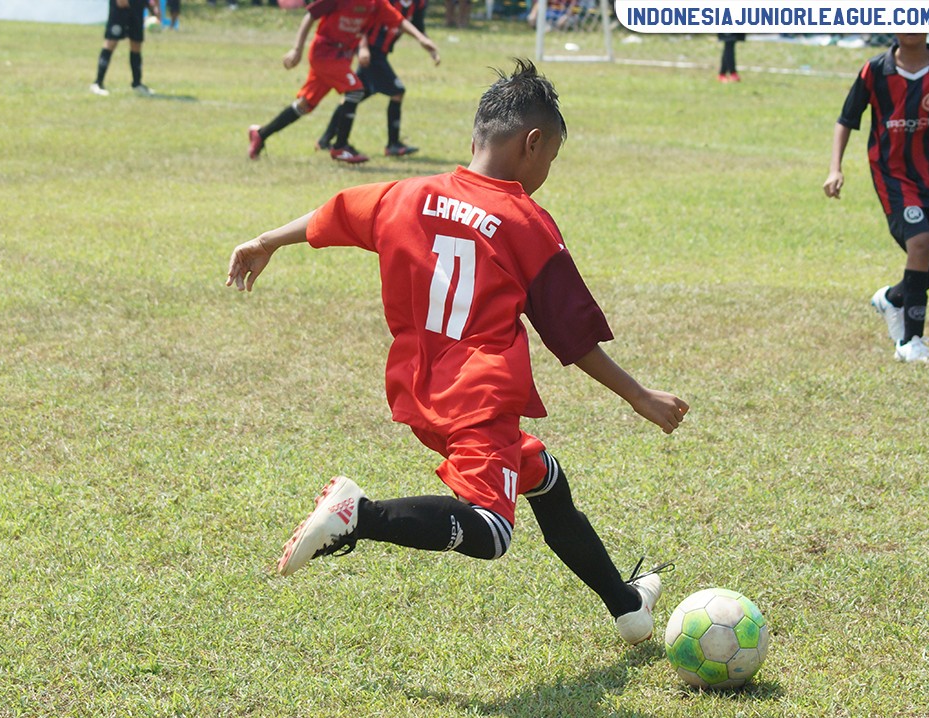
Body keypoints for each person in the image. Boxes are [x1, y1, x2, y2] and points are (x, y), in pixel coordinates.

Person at [226, 60, 689, 645]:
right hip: (480, 395)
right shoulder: (525, 222)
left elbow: (333, 214)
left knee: (540, 473)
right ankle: (359, 516)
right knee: (492, 531)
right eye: (550, 159)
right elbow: (570, 337)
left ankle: (627, 607)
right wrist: (639, 396)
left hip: (421, 390)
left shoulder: (406, 194)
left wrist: (266, 240)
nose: (546, 172)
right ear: (533, 142)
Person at [823, 33, 929, 364]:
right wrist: (835, 169)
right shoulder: (875, 70)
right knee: (921, 242)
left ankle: (894, 297)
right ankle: (911, 341)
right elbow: (846, 120)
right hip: (891, 175)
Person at [247, 0, 439, 164]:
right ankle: (340, 147)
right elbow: (310, 15)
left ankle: (261, 134)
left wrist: (423, 39)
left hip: (342, 56)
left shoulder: (376, 3)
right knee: (355, 90)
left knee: (305, 105)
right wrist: (296, 49)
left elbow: (399, 20)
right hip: (324, 53)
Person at [316, 0, 428, 157]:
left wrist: (427, 44)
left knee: (356, 95)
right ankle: (392, 145)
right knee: (397, 91)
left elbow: (417, 26)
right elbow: (361, 22)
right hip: (372, 54)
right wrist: (363, 48)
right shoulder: (386, 2)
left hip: (380, 54)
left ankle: (325, 139)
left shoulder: (419, 3)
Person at [90, 0, 157, 96]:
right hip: (120, 6)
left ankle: (137, 84)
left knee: (136, 43)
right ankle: (97, 83)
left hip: (137, 5)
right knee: (111, 42)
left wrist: (152, 5)